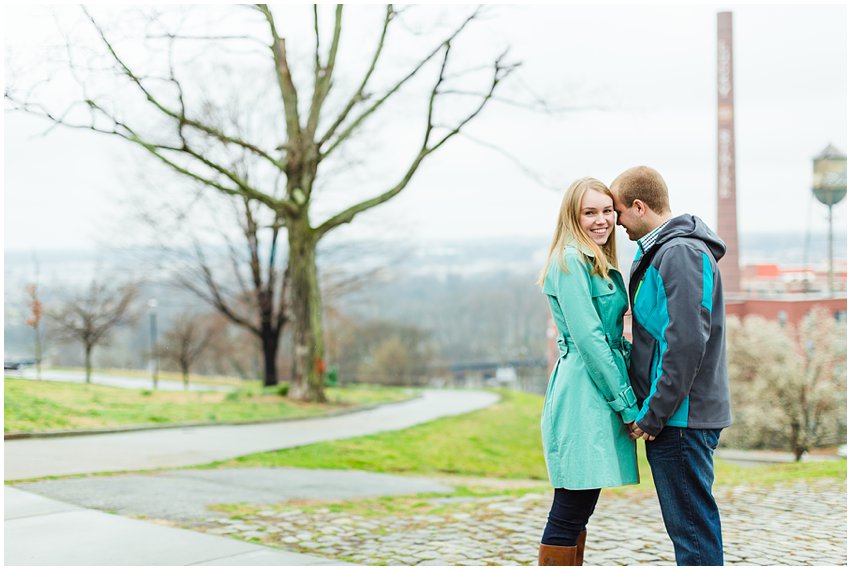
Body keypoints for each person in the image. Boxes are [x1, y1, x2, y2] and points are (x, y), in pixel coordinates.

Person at [610, 165, 732, 566]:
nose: (617, 224)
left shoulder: (679, 253)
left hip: (681, 419)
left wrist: (653, 415)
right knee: (689, 530)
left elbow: (685, 344)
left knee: (693, 534)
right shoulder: (667, 251)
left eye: (619, 212)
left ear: (640, 207)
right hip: (676, 418)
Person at [536, 177, 640, 566]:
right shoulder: (569, 262)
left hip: (594, 390)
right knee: (571, 506)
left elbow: (609, 340)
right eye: (590, 212)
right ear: (572, 216)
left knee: (579, 507)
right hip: (584, 393)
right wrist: (629, 406)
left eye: (607, 211)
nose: (602, 220)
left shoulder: (593, 260)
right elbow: (592, 341)